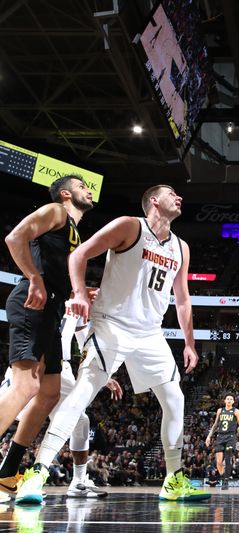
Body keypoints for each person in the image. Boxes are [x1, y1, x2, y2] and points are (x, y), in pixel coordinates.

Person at [15, 185, 209, 503]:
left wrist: (189, 343)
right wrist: (78, 292)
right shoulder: (129, 226)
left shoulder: (181, 247)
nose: (180, 197)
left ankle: (173, 480)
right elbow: (79, 254)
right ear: (154, 201)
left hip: (150, 333)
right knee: (82, 393)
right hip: (112, 324)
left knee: (175, 400)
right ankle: (37, 474)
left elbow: (183, 299)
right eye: (172, 193)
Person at [0, 175, 93, 504]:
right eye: (82, 187)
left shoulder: (75, 231)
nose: (89, 190)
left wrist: (79, 291)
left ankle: (7, 473)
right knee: (25, 387)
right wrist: (35, 278)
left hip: (52, 309)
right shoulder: (56, 211)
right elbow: (15, 238)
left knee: (49, 393)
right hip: (31, 302)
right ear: (67, 194)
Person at [0, 298, 123, 499]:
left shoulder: (75, 299)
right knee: (13, 414)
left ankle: (79, 482)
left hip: (59, 367)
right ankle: (6, 475)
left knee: (80, 421)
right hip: (31, 356)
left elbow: (85, 340)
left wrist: (105, 375)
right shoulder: (51, 289)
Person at [205, 393, 239, 490]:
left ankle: (225, 481)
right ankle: (224, 476)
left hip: (230, 437)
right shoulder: (220, 410)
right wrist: (209, 436)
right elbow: (215, 425)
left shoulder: (236, 411)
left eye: (231, 399)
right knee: (219, 462)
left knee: (227, 459)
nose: (229, 400)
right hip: (220, 437)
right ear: (224, 401)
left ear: (233, 402)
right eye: (227, 399)